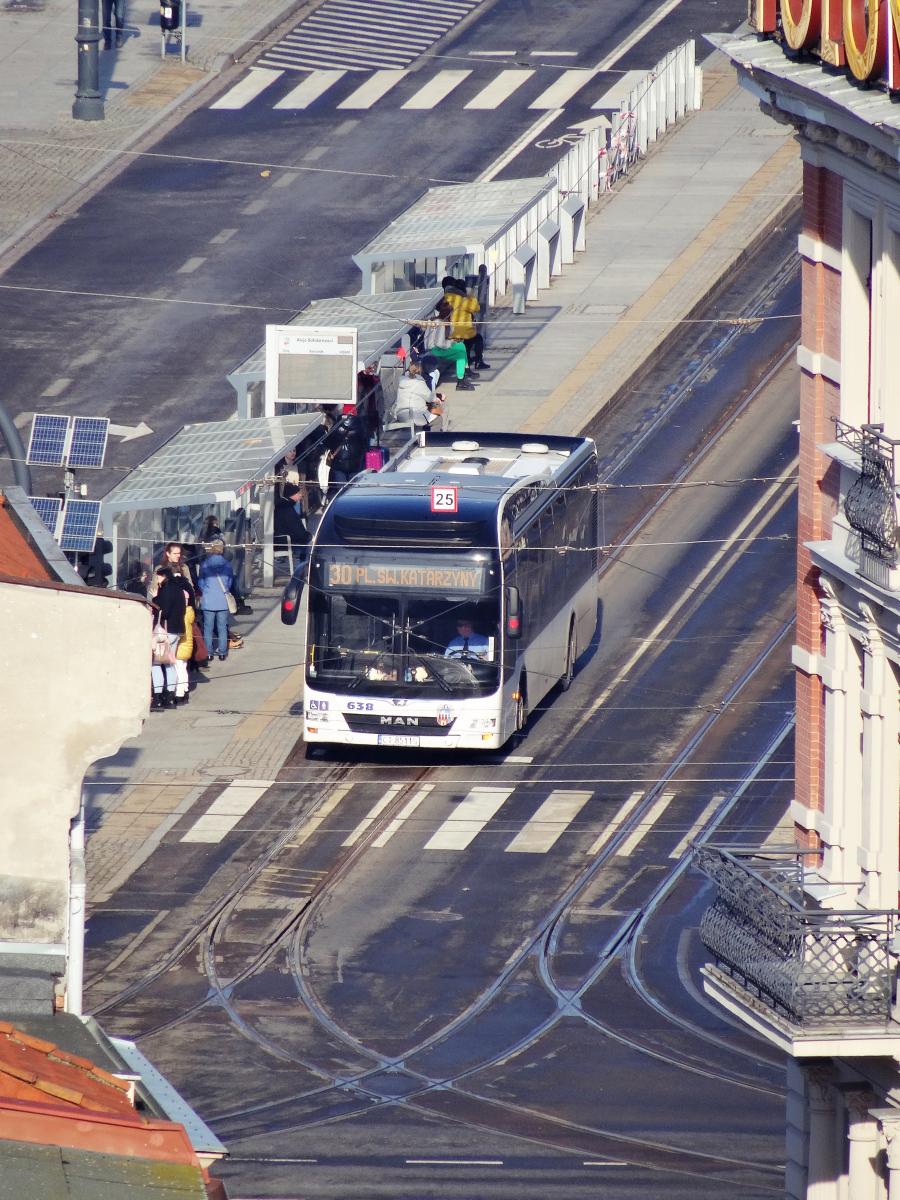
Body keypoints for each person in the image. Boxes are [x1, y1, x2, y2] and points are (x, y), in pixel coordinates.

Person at [414, 300, 473, 391]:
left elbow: (449, 336)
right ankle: (460, 381)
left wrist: (455, 339)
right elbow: (439, 343)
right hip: (434, 350)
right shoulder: (440, 324)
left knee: (461, 345)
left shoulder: (444, 321)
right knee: (460, 354)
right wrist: (451, 343)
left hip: (438, 348)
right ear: (448, 313)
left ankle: (466, 369)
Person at [151, 566, 187, 708]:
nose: (158, 580)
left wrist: (155, 598)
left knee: (156, 663)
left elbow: (163, 611)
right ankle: (171, 697)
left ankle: (158, 697)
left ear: (164, 576)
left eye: (159, 577)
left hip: (165, 632)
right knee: (170, 663)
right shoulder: (178, 589)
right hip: (178, 630)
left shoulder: (165, 591)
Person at [442, 275, 490, 371]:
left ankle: (467, 364)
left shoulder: (446, 296)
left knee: (466, 344)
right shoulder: (462, 298)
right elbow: (476, 308)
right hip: (462, 331)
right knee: (477, 339)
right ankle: (478, 362)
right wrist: (469, 295)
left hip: (450, 331)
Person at [198, 538, 234, 662]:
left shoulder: (205, 564)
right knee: (222, 627)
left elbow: (201, 582)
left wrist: (206, 590)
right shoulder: (228, 565)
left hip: (208, 600)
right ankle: (223, 653)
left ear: (211, 549)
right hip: (223, 600)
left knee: (208, 627)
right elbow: (229, 583)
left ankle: (209, 653)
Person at [390, 363, 443, 431]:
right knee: (438, 420)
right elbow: (430, 398)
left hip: (400, 414)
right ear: (420, 371)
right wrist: (438, 398)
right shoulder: (419, 382)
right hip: (414, 415)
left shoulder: (401, 380)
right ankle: (432, 439)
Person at [325, 404, 367, 484]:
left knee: (340, 489)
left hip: (339, 462)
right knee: (353, 489)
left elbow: (328, 442)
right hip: (355, 463)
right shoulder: (360, 425)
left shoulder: (337, 425)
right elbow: (365, 444)